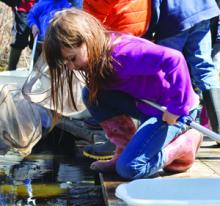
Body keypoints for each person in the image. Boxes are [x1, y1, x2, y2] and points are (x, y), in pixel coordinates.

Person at [43, 8, 203, 179]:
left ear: (86, 40)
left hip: (174, 112)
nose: (72, 67)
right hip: (148, 106)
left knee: (130, 168)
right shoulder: (98, 55)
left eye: (72, 59)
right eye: (66, 63)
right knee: (92, 94)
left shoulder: (124, 53)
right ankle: (123, 149)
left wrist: (178, 107)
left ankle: (184, 145)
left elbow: (174, 59)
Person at [82, 0, 151, 160]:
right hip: (135, 27)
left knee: (93, 93)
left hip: (116, 34)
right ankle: (130, 140)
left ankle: (122, 142)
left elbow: (93, 18)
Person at [144, 0, 220, 143]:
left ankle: (168, 129)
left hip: (173, 20)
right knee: (204, 67)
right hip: (202, 11)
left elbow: (153, 6)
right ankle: (219, 130)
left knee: (167, 71)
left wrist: (148, 34)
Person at [0, 0, 36, 70]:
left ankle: (36, 72)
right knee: (20, 39)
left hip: (41, 8)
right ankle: (11, 70)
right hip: (22, 8)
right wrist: (14, 3)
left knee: (37, 41)